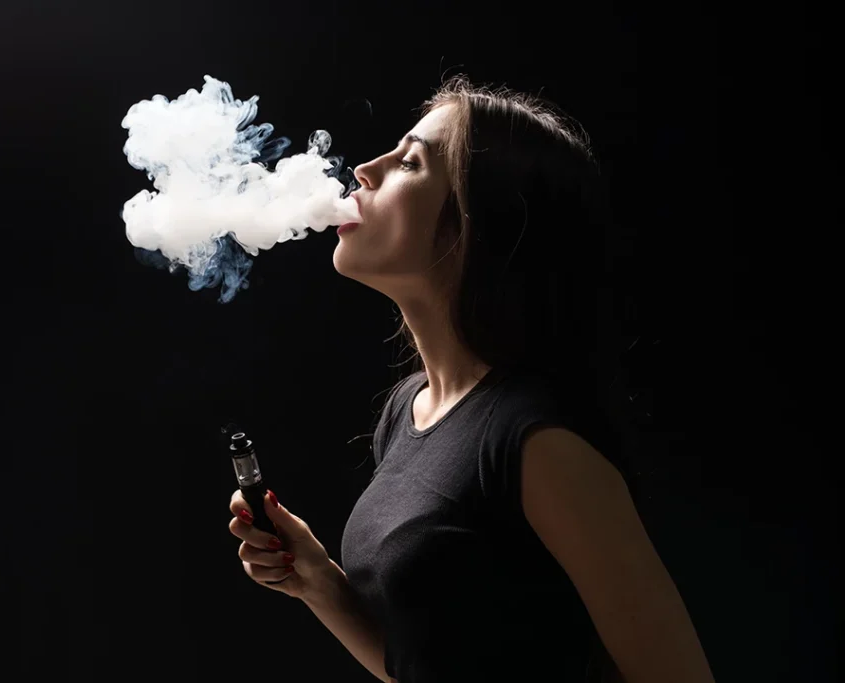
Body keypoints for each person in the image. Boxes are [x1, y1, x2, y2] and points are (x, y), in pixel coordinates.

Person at [228, 75, 715, 683]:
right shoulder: (409, 409)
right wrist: (318, 581)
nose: (364, 171)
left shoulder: (537, 444)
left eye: (410, 162)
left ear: (474, 225)